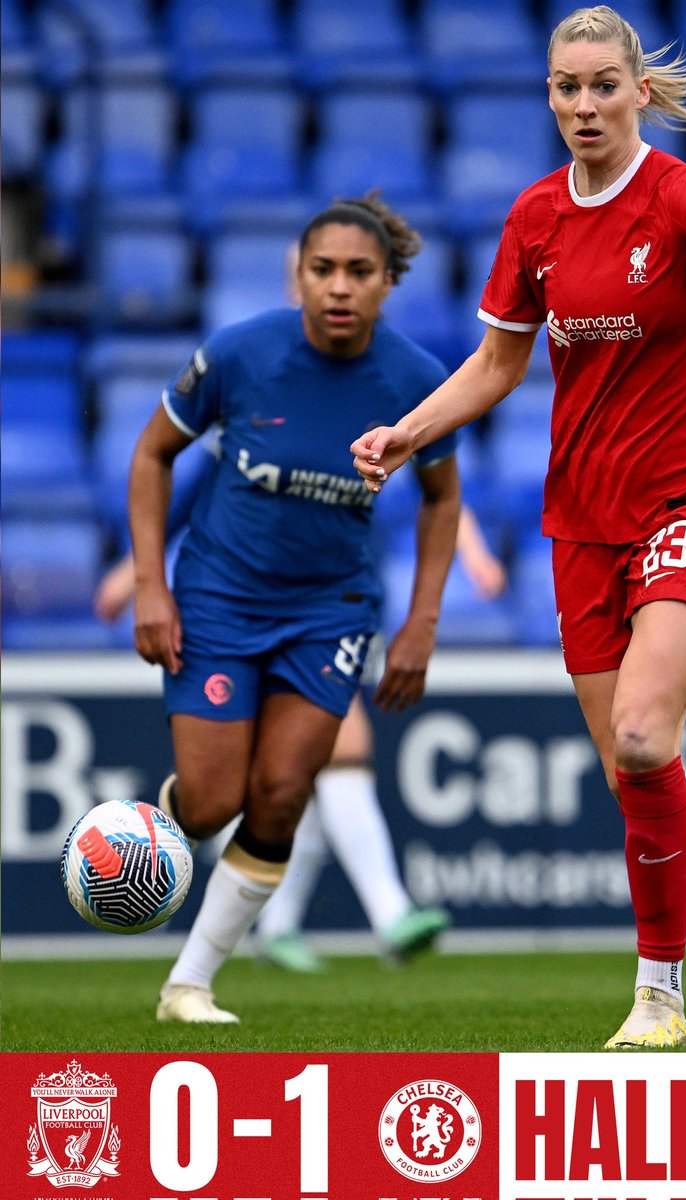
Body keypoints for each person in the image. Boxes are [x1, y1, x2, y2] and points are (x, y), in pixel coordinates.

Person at [351, 6, 686, 1049]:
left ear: (641, 90)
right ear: (548, 95)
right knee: (630, 766)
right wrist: (407, 433)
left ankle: (658, 995)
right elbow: (499, 365)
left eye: (604, 84)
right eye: (567, 86)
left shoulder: (684, 197)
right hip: (583, 520)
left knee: (645, 736)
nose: (585, 104)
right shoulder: (536, 218)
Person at [128, 192, 462, 1022]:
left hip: (330, 611)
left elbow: (441, 499)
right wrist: (148, 583)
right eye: (323, 271)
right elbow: (152, 453)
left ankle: (190, 984)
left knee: (280, 793)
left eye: (359, 272)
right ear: (298, 277)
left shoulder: (417, 380)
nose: (339, 288)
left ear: (388, 284)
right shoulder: (241, 355)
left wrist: (421, 623)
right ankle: (131, 844)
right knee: (210, 804)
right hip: (218, 599)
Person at [94, 504, 506, 972]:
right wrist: (134, 576)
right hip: (287, 612)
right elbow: (192, 491)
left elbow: (438, 491)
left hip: (345, 609)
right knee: (341, 748)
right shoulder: (267, 436)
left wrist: (475, 555)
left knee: (299, 779)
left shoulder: (377, 433)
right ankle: (390, 912)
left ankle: (278, 926)